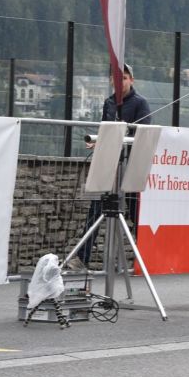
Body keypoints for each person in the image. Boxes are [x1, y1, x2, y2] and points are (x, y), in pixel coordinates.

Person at [69, 63, 150, 270]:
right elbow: (106, 131)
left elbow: (145, 133)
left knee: (136, 214)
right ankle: (82, 259)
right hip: (110, 166)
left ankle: (148, 257)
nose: (119, 81)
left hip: (131, 167)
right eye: (116, 77)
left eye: (123, 77)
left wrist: (123, 138)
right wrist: (98, 142)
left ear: (131, 80)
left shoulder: (141, 103)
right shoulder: (109, 103)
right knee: (96, 210)